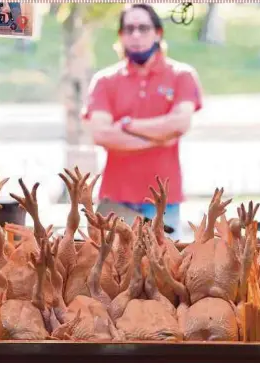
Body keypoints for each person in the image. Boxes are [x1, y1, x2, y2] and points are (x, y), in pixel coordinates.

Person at [82, 4, 203, 240]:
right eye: (129, 29)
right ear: (121, 35)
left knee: (162, 271)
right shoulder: (104, 81)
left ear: (158, 33)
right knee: (112, 271)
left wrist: (128, 125)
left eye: (143, 28)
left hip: (162, 201)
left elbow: (179, 124)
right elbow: (101, 134)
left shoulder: (182, 75)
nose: (136, 35)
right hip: (115, 199)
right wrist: (161, 138)